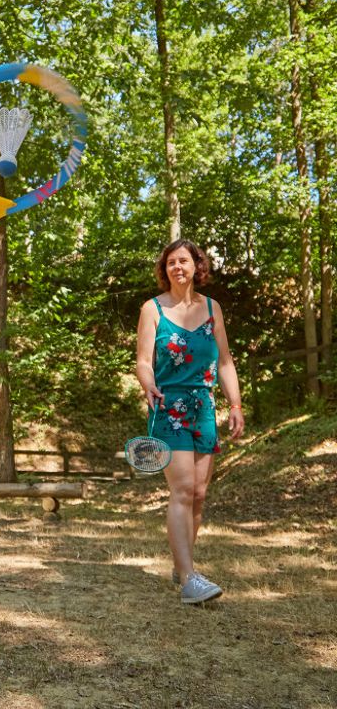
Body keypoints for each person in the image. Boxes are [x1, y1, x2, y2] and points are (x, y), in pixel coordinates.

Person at [136, 239, 245, 605]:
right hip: (168, 406)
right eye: (170, 263)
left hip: (203, 407)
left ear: (197, 266)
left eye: (183, 261)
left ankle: (182, 564)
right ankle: (188, 579)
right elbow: (143, 361)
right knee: (182, 491)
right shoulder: (151, 309)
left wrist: (235, 404)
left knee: (199, 495)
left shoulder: (213, 308)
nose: (176, 267)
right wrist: (147, 384)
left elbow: (226, 361)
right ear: (164, 270)